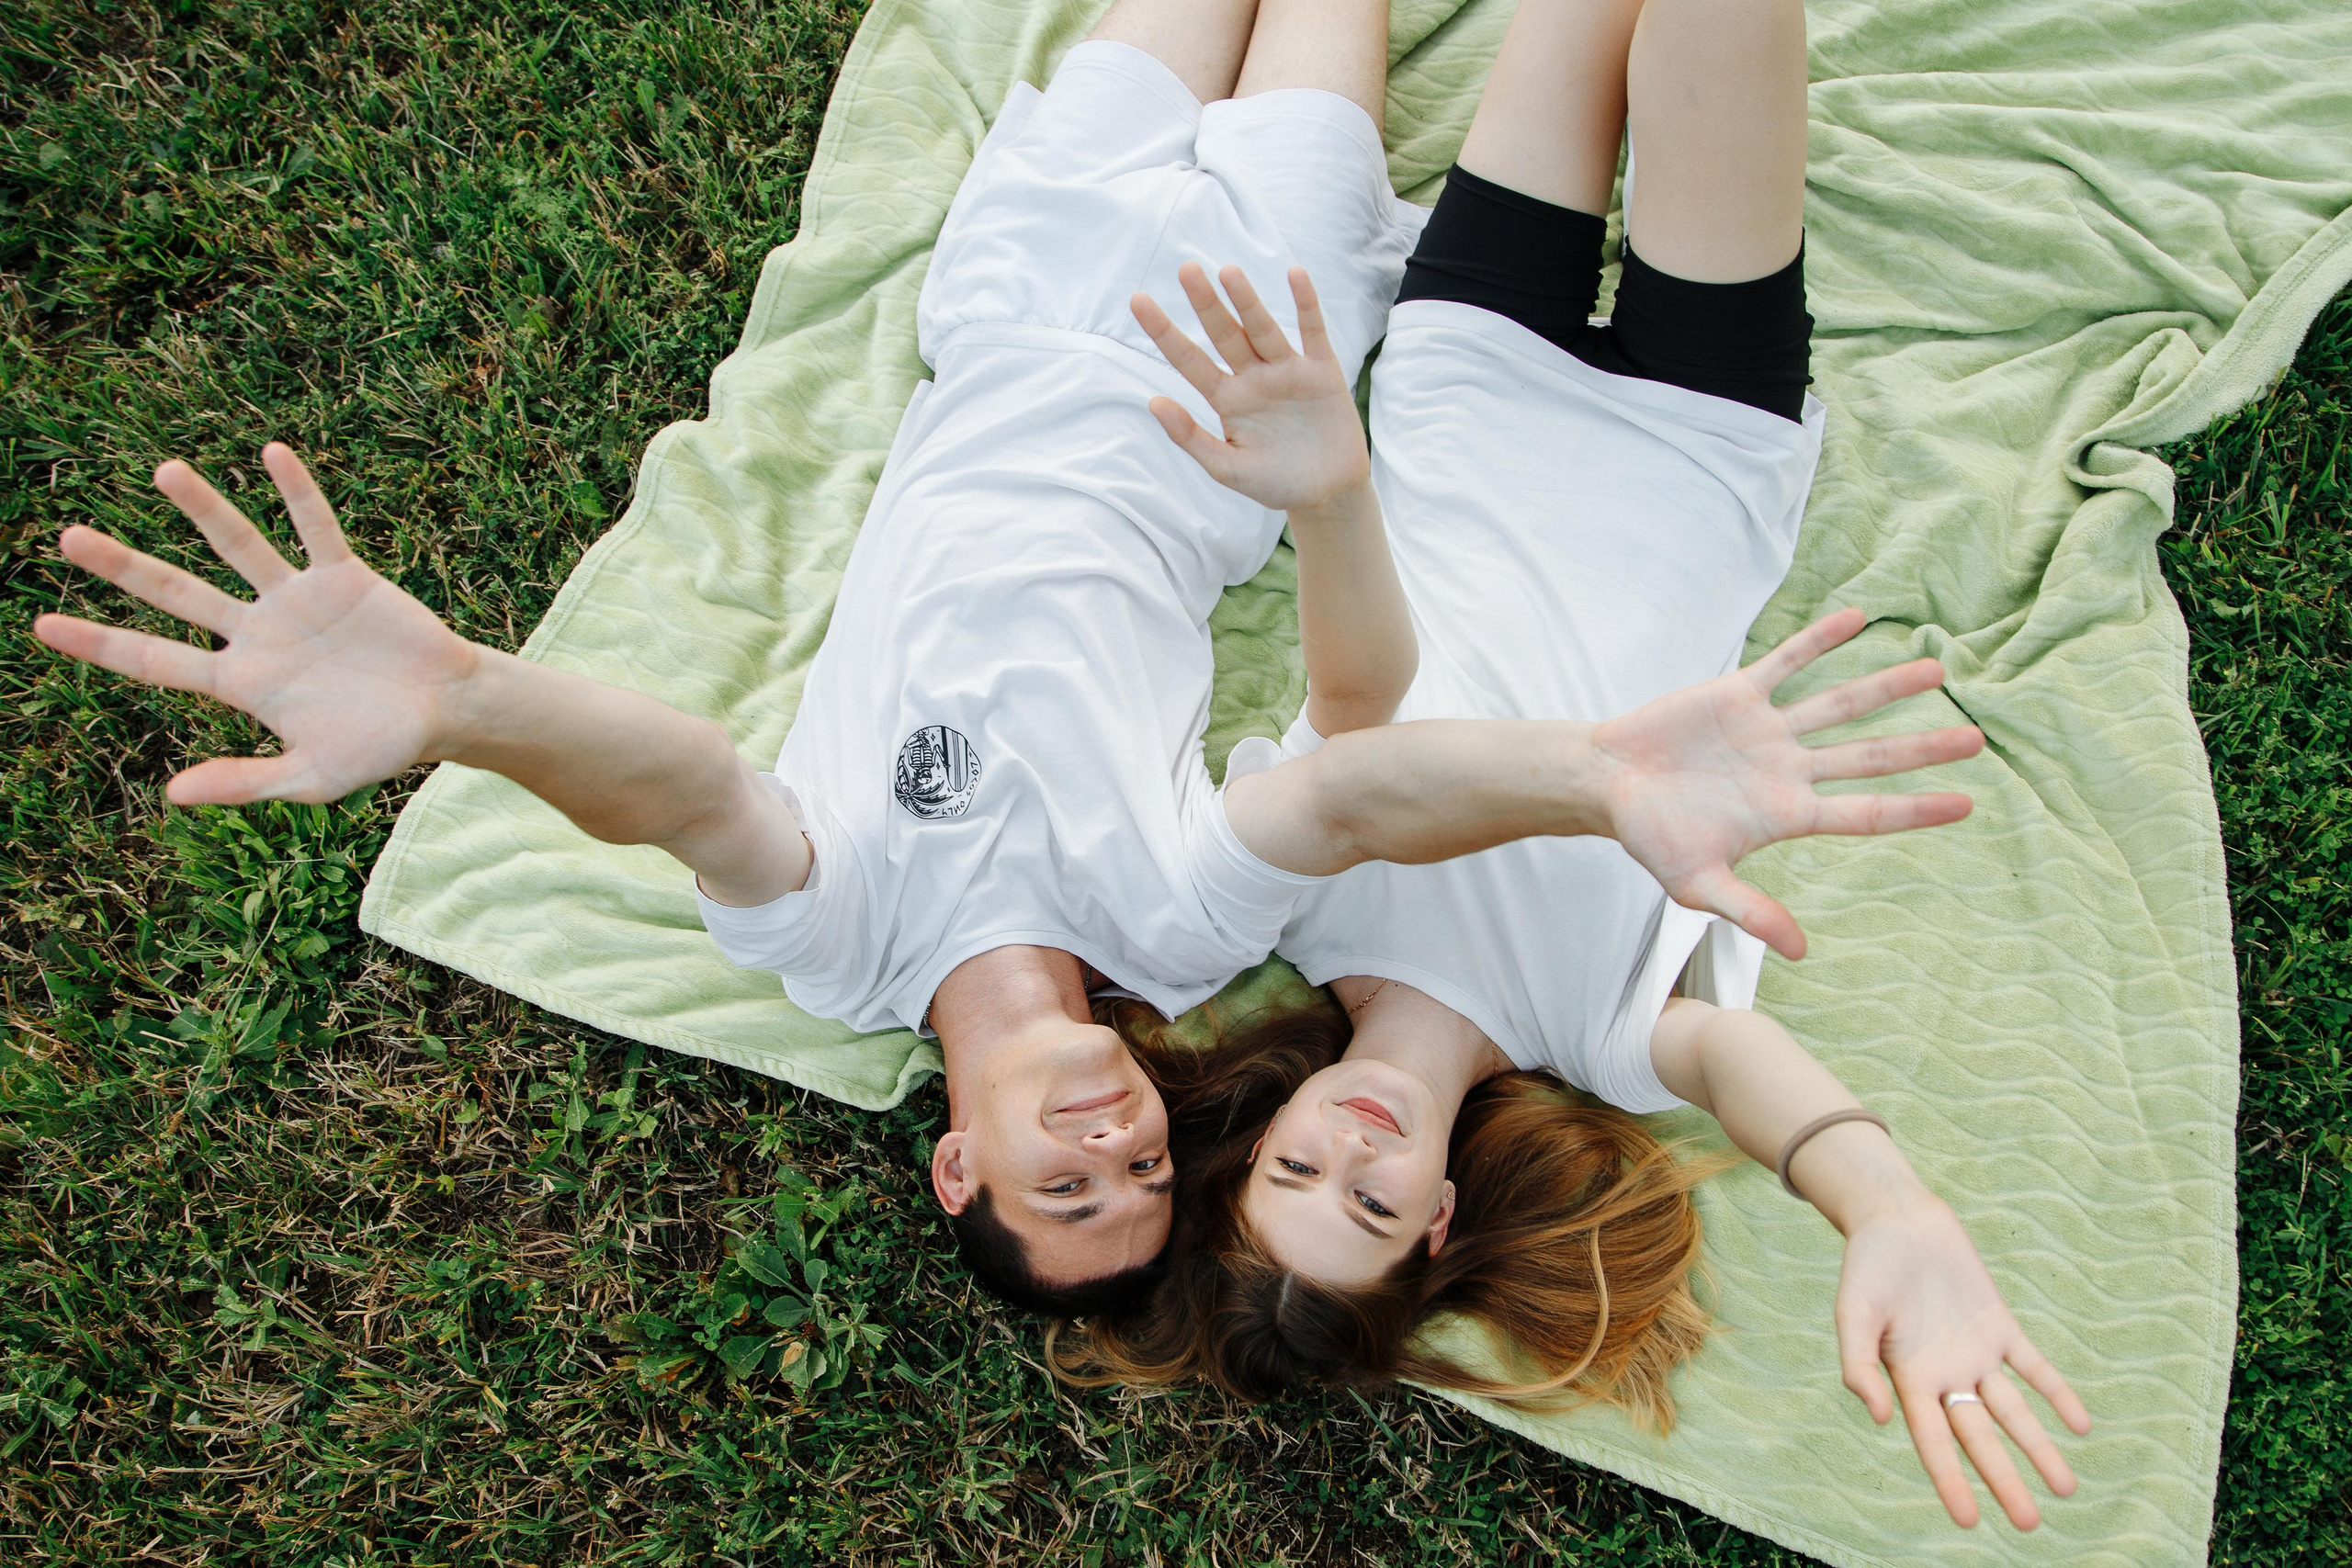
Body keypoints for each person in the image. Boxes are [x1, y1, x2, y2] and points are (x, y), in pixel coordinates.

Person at [29, 0, 1976, 1317]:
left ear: (956, 1166)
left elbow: (691, 790)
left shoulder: (838, 941)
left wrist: (469, 704)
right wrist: (1579, 768)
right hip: (1237, 342)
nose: (1118, 1136)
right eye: (1145, 1167)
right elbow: (1355, 765)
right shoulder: (1184, 930)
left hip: (1015, 293)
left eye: (1069, 1186)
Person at [1054, 0, 2092, 1535]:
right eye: (1375, 1209)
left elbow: (1359, 705)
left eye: (1296, 1175)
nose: (1353, 1155)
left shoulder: (1277, 918)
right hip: (1701, 442)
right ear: (1442, 1221)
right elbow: (1747, 1075)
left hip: (1470, 391)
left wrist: (1339, 493)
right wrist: (1895, 1209)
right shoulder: (1599, 1036)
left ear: (1260, 1137)